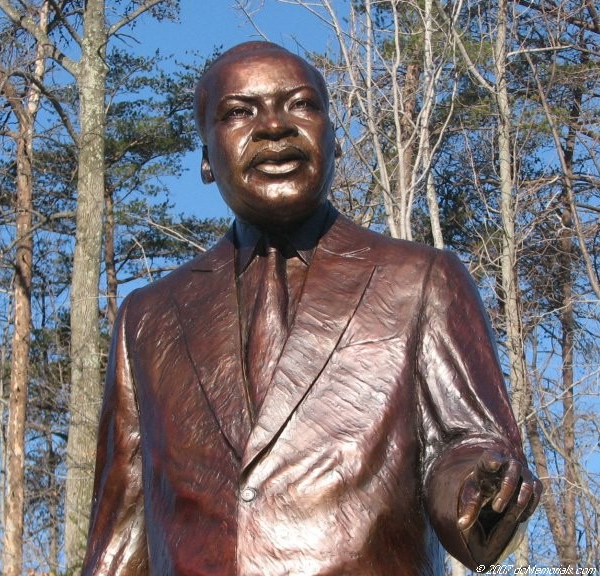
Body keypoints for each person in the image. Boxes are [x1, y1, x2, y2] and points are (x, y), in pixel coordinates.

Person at [82, 41, 542, 575]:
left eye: (301, 105)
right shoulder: (148, 317)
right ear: (206, 159)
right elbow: (124, 526)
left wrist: (478, 493)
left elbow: (468, 447)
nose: (275, 127)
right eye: (238, 112)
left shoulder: (421, 281)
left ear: (334, 141)